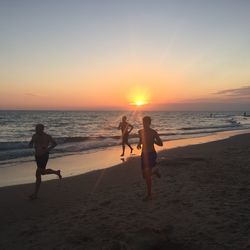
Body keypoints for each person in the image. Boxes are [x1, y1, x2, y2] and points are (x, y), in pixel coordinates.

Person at [29, 124, 62, 200]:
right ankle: (56, 172)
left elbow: (55, 144)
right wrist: (31, 143)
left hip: (44, 156)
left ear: (42, 129)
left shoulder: (47, 136)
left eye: (38, 129)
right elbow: (30, 144)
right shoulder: (34, 136)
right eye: (36, 129)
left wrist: (48, 149)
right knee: (42, 172)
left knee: (38, 174)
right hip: (37, 156)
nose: (36, 130)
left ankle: (35, 194)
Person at [137, 116, 163, 200]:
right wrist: (138, 144)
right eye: (143, 122)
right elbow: (141, 140)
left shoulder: (153, 132)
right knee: (144, 176)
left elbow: (161, 144)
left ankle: (149, 194)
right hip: (143, 154)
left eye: (146, 122)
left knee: (147, 175)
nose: (144, 124)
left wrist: (154, 141)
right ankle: (155, 172)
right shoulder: (140, 131)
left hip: (151, 153)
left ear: (149, 123)